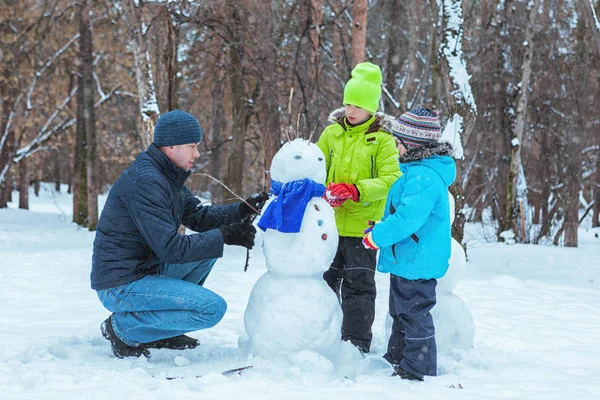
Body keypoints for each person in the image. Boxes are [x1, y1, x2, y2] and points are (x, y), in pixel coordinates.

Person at [91, 109, 268, 359]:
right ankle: (122, 330)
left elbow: (199, 217)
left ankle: (162, 329)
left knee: (205, 254)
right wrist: (225, 236)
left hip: (143, 271)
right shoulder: (148, 182)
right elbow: (170, 249)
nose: (197, 153)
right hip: (120, 284)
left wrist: (242, 209)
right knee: (211, 309)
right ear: (171, 147)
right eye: (192, 146)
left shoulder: (165, 176)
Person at [362, 107, 456, 380]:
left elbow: (407, 219)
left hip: (417, 258)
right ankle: (397, 356)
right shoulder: (415, 172)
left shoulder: (423, 176)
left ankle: (418, 367)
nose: (395, 146)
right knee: (400, 311)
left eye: (397, 142)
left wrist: (377, 237)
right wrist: (379, 227)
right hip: (408, 257)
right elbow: (399, 214)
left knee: (414, 313)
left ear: (411, 145)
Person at [317, 62, 401, 354]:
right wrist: (324, 192)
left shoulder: (383, 140)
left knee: (358, 289)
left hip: (362, 228)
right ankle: (320, 338)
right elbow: (316, 168)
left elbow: (391, 180)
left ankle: (355, 344)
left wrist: (356, 191)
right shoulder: (331, 134)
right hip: (328, 225)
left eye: (358, 105)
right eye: (348, 103)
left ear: (372, 108)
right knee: (323, 284)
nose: (351, 110)